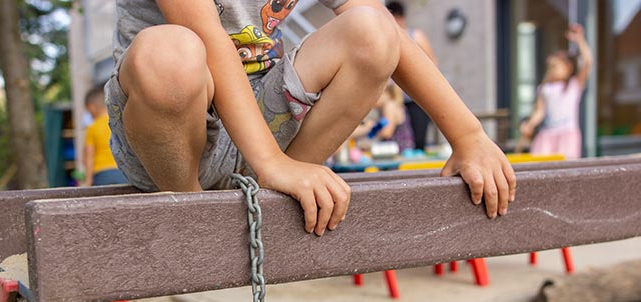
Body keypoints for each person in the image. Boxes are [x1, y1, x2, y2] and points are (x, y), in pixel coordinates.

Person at [105, 0, 516, 238]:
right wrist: (270, 160)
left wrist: (468, 135)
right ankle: (191, 214)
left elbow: (385, 33)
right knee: (170, 52)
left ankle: (281, 193)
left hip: (263, 123)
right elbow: (209, 40)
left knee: (372, 30)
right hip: (170, 139)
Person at [520, 24, 592, 159]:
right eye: (550, 67)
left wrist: (580, 39)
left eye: (556, 66)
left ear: (568, 67)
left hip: (566, 134)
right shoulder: (544, 88)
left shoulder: (573, 85)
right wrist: (529, 125)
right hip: (547, 134)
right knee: (541, 164)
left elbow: (588, 61)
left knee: (565, 167)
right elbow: (539, 112)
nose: (552, 69)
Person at [386, 1, 437, 151]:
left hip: (416, 99)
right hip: (395, 99)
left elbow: (432, 64)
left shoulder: (416, 36)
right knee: (397, 141)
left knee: (418, 139)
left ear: (400, 18)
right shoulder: (385, 40)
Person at [83, 85, 128, 186]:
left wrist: (88, 181)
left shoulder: (92, 128)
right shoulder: (120, 123)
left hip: (101, 175)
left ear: (91, 108)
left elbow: (89, 157)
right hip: (123, 172)